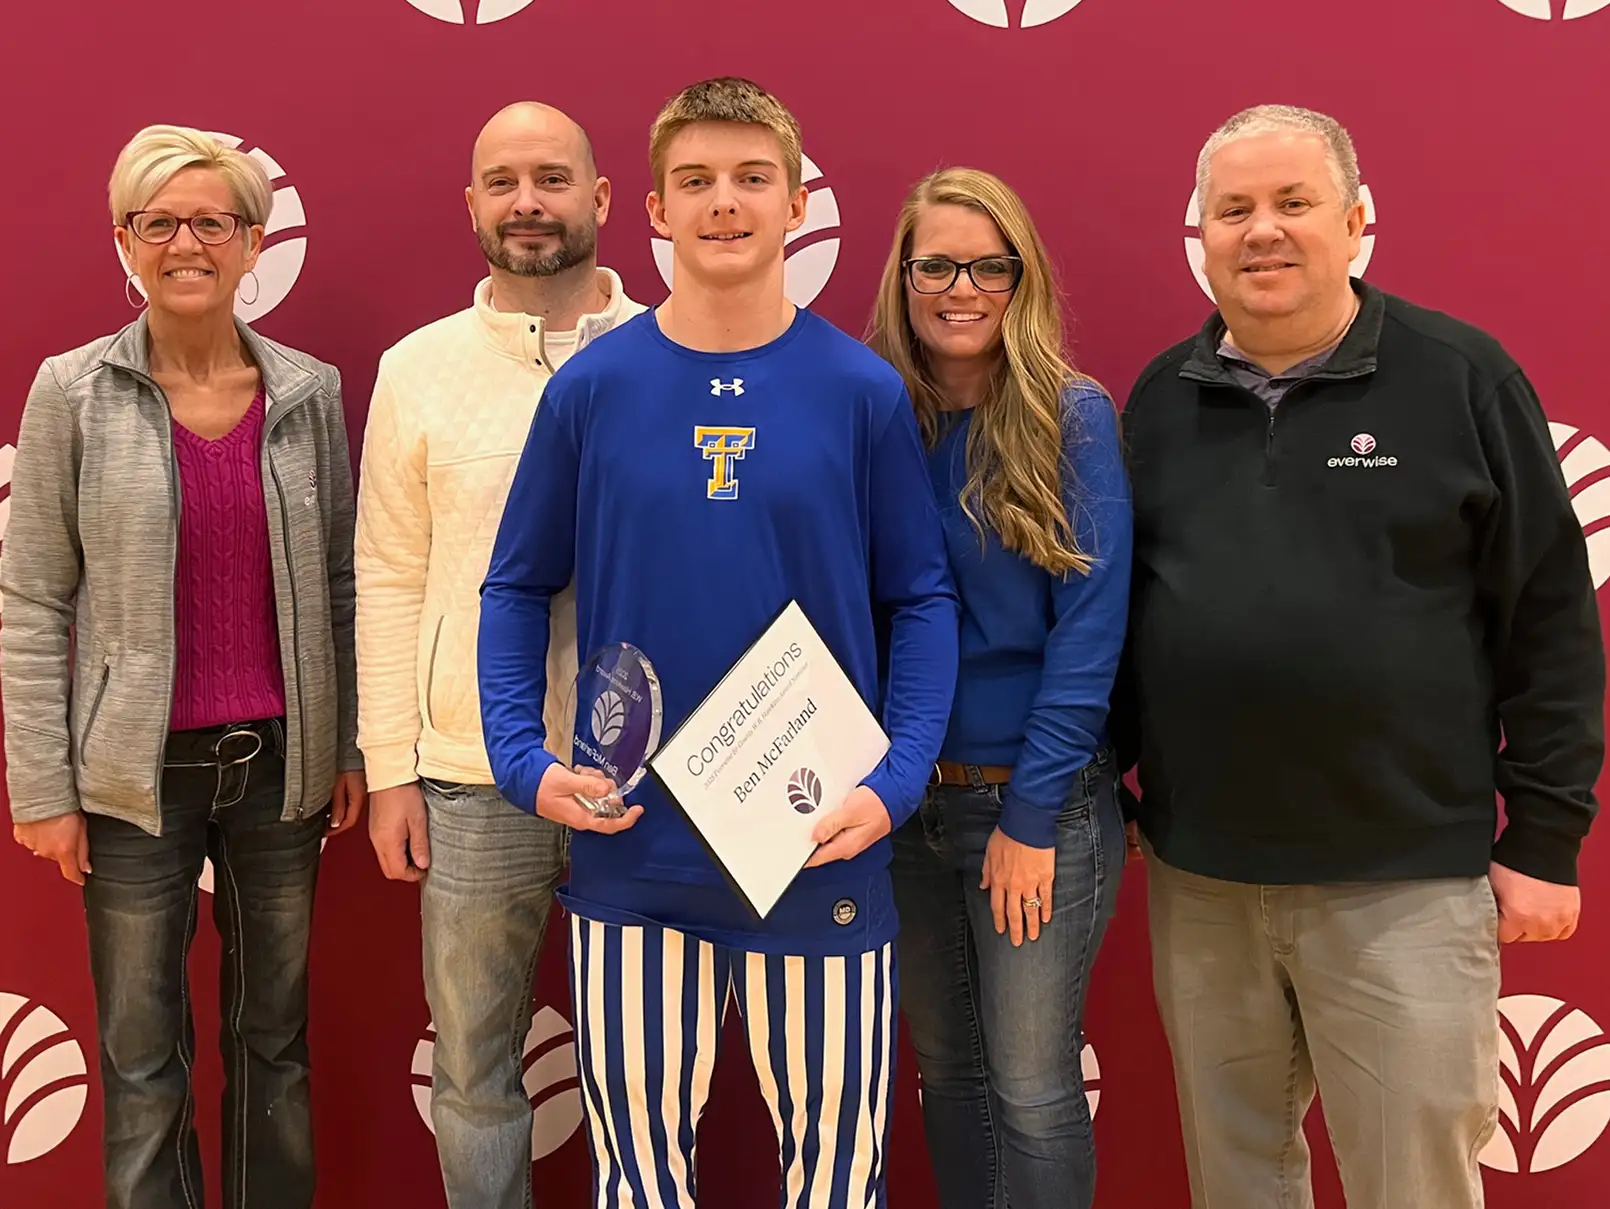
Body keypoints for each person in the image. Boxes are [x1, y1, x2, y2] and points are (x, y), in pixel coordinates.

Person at [477, 77, 959, 1208]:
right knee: (636, 1177)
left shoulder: (860, 391)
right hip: (633, 848)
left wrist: (891, 786)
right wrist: (520, 757)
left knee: (837, 1178)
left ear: (798, 204)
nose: (724, 204)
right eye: (695, 181)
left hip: (814, 843)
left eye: (752, 179)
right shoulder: (591, 390)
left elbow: (922, 600)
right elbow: (513, 586)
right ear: (651, 209)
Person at [1118, 103, 1605, 1209]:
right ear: (1197, 237)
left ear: (1355, 219)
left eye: (1292, 203)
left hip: (1401, 884)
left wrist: (1543, 835)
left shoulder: (1459, 380)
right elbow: (1119, 619)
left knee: (1412, 1188)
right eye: (1231, 210)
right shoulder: (1157, 401)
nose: (1262, 231)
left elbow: (1547, 623)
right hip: (1203, 880)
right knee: (1236, 1181)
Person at [1, 124, 366, 1209]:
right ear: (125, 240)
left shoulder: (310, 394)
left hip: (279, 774)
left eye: (213, 220)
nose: (187, 243)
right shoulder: (71, 392)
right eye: (159, 222)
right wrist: (42, 786)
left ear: (254, 241)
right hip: (129, 783)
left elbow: (344, 586)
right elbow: (29, 601)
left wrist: (343, 744)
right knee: (138, 1051)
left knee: (274, 1046)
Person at [354, 101, 644, 1209]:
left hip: (650, 775)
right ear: (472, 205)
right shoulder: (417, 369)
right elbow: (385, 573)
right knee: (475, 1070)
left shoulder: (680, 353)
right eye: (503, 181)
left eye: (553, 179)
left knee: (650, 1066)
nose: (528, 202)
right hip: (472, 777)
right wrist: (390, 767)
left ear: (603, 201)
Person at [868, 167, 1130, 1209]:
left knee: (1029, 1087)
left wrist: (1027, 816)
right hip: (902, 806)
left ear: (1020, 279)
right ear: (902, 277)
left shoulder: (1070, 417)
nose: (959, 286)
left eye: (988, 264)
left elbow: (1088, 634)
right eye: (935, 263)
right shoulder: (873, 415)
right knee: (949, 1075)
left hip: (1036, 806)